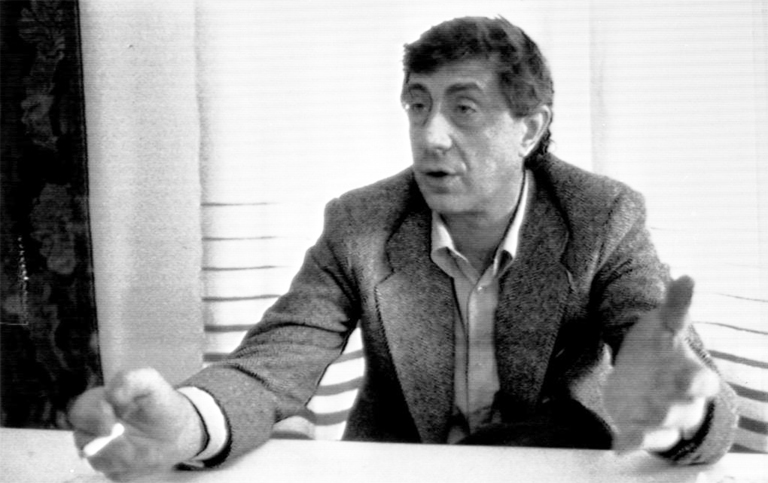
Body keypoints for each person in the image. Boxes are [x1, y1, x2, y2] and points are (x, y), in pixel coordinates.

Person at [69, 16, 738, 481]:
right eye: (419, 106)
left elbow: (668, 354)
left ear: (529, 129)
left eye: (464, 109)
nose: (431, 135)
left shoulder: (601, 216)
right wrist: (186, 424)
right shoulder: (362, 223)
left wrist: (684, 410)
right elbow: (273, 363)